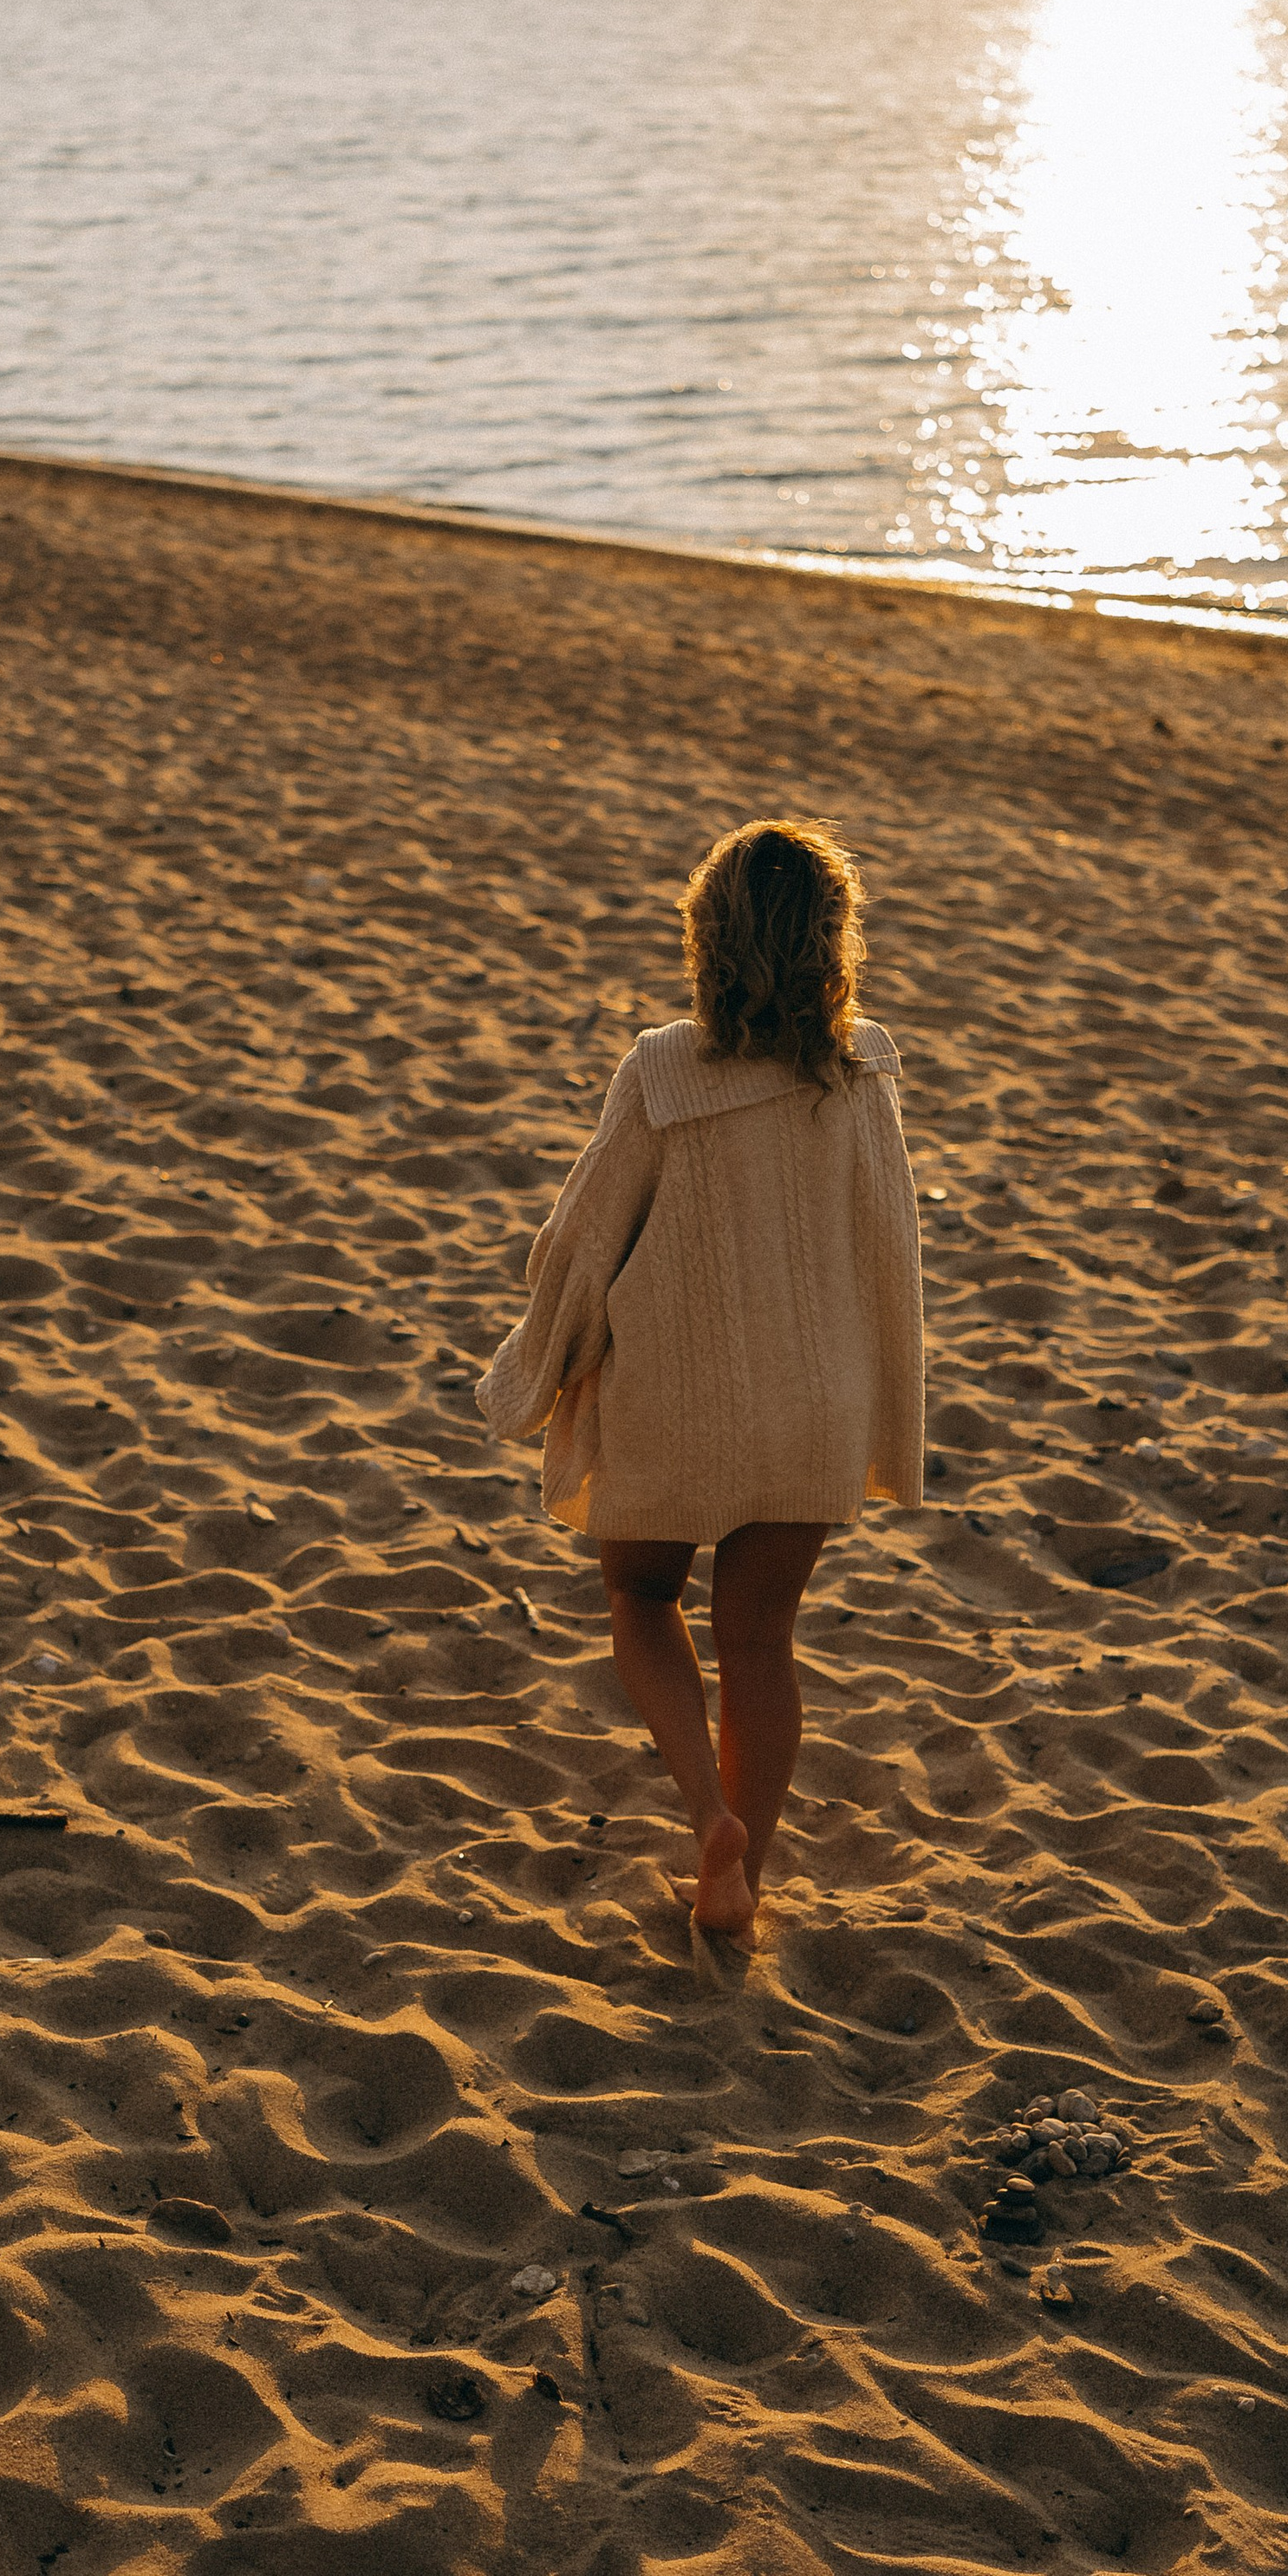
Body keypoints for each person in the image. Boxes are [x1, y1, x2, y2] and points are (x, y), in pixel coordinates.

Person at [477, 818, 924, 1950]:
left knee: (641, 1601)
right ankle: (744, 1880)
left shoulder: (665, 1068)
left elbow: (585, 1240)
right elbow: (891, 1253)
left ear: (707, 935)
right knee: (762, 1640)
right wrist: (883, 1410)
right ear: (835, 939)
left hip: (680, 1390)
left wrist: (536, 1370)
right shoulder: (862, 1068)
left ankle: (707, 1815)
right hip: (815, 1394)